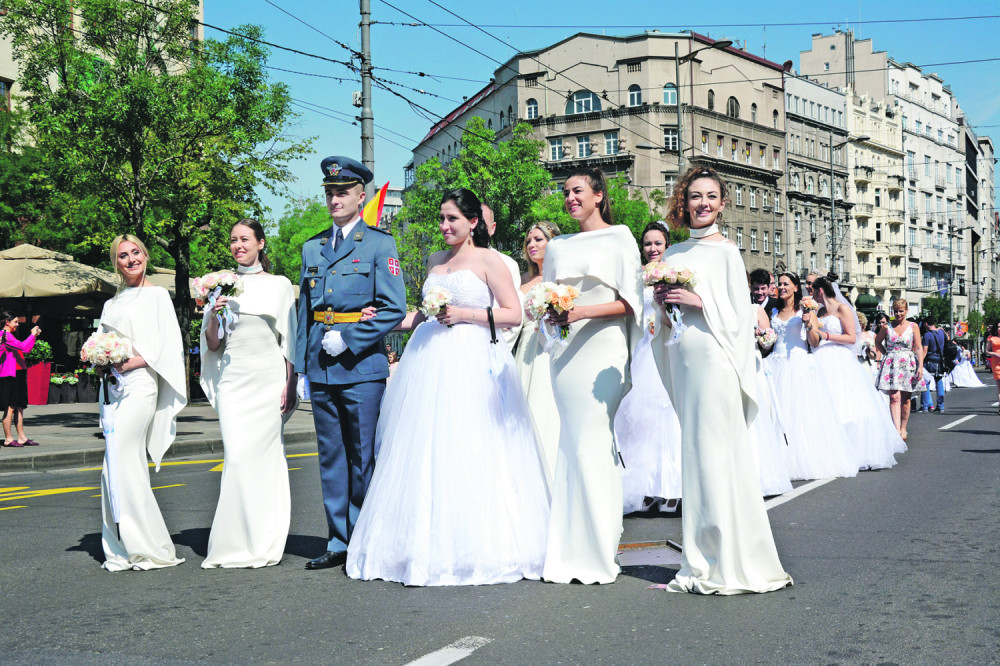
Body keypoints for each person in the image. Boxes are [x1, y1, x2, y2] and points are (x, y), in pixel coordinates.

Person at [346, 188, 549, 586]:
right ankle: (418, 546)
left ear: (473, 222)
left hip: (471, 360)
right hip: (428, 362)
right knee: (423, 450)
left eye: (452, 218)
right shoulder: (434, 261)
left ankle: (476, 546)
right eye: (441, 218)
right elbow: (422, 316)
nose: (444, 226)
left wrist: (464, 314)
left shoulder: (490, 260)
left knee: (470, 447)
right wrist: (378, 318)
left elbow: (512, 314)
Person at [649, 165, 791, 594]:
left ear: (723, 204)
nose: (703, 203)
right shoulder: (671, 256)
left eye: (711, 196)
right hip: (686, 364)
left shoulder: (728, 252)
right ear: (683, 201)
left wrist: (695, 299)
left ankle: (728, 560)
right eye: (695, 196)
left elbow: (738, 316)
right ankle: (699, 561)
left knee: (717, 456)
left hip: (718, 363)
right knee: (695, 458)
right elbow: (667, 323)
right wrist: (663, 305)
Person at [294, 156, 406, 570]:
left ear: (362, 197)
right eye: (330, 192)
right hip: (323, 366)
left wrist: (352, 337)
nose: (335, 199)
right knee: (331, 456)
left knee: (362, 455)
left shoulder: (379, 244)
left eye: (342, 192)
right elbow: (304, 311)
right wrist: (303, 367)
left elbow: (395, 308)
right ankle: (339, 540)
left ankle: (365, 537)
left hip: (361, 366)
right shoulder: (312, 247)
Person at [542, 167, 642, 585]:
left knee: (594, 441)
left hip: (603, 352)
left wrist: (582, 310)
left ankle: (599, 547)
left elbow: (632, 303)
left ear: (599, 195)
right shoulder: (557, 247)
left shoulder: (620, 237)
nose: (569, 198)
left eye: (577, 190)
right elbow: (547, 301)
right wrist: (552, 314)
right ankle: (568, 548)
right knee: (570, 444)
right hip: (565, 355)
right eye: (565, 192)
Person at [199, 219, 297, 568]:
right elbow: (212, 342)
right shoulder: (220, 285)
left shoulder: (280, 285)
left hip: (268, 377)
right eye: (233, 240)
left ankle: (264, 538)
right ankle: (234, 540)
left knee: (265, 459)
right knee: (237, 457)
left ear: (261, 243)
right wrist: (213, 311)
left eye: (245, 239)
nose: (238, 245)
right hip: (233, 379)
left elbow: (289, 339)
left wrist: (290, 383)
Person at [97, 235, 187, 571]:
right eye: (123, 255)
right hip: (113, 389)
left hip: (141, 385)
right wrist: (98, 356)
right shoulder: (112, 303)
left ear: (146, 255)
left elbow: (166, 345)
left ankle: (146, 546)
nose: (131, 259)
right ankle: (121, 546)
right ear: (116, 262)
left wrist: (127, 362)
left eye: (136, 253)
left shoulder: (158, 295)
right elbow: (103, 341)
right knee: (113, 465)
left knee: (122, 458)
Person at [613, 221, 683, 513]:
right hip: (642, 351)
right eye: (647, 244)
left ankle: (672, 488)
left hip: (668, 347)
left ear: (667, 244)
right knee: (640, 421)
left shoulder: (676, 273)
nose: (652, 249)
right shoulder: (636, 277)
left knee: (669, 417)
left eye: (657, 243)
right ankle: (647, 487)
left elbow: (679, 317)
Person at [765, 273, 858, 480]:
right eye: (779, 284)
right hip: (775, 363)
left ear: (796, 288)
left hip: (798, 362)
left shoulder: (806, 309)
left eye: (786, 284)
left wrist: (809, 324)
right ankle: (777, 460)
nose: (781, 287)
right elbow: (769, 339)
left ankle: (801, 458)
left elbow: (814, 342)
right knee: (776, 411)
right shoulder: (772, 309)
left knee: (800, 412)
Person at [806, 277, 902, 470]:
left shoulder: (842, 308)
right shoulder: (819, 311)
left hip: (838, 360)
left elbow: (852, 338)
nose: (810, 294)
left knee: (844, 407)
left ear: (821, 291)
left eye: (813, 290)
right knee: (823, 408)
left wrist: (826, 335)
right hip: (819, 358)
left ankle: (853, 451)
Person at [512, 221, 562, 479]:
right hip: (526, 350)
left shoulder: (562, 277)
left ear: (552, 241)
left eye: (538, 239)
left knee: (547, 410)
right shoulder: (521, 280)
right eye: (529, 241)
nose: (532, 244)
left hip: (552, 350)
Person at [875, 299, 923, 441]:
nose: (898, 314)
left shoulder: (913, 326)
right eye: (895, 311)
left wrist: (920, 366)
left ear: (906, 311)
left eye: (901, 311)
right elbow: (877, 341)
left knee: (906, 399)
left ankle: (903, 428)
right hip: (892, 364)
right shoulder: (887, 327)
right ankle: (896, 431)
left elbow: (919, 347)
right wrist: (887, 355)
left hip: (908, 363)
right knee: (894, 397)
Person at [482, 202, 523, 347]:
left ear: (492, 228)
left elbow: (512, 323)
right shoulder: (452, 261)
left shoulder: (507, 264)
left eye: (482, 223)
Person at [0, 312, 41, 448]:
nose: (17, 325)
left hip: (19, 372)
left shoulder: (9, 336)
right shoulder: (4, 335)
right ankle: (8, 438)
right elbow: (23, 347)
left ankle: (21, 437)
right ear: (7, 322)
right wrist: (32, 334)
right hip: (10, 374)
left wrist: (33, 337)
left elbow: (26, 349)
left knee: (19, 406)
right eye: (15, 322)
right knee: (10, 407)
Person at [921, 319, 948, 412]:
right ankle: (941, 406)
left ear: (926, 324)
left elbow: (925, 350)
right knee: (939, 382)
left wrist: (920, 362)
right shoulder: (941, 333)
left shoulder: (927, 335)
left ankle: (926, 405)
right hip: (940, 361)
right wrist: (942, 329)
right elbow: (948, 338)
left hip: (930, 360)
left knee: (925, 382)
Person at [985, 322, 1000, 414]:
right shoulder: (991, 337)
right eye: (998, 326)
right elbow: (986, 351)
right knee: (998, 384)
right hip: (996, 362)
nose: (999, 328)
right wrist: (994, 354)